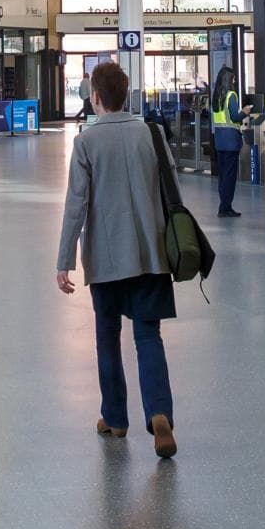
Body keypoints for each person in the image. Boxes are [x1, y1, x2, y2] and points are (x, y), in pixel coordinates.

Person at [55, 60, 176, 459]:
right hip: (150, 252)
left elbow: (76, 204)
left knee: (107, 335)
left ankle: (116, 418)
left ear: (95, 98)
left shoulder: (87, 142)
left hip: (106, 257)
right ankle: (159, 414)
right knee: (147, 335)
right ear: (126, 96)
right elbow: (171, 189)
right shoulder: (150, 134)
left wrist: (64, 259)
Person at [208, 67, 243, 219]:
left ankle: (223, 204)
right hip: (231, 141)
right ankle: (225, 207)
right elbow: (235, 116)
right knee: (230, 176)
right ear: (229, 79)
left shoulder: (216, 97)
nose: (234, 81)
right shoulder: (231, 95)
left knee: (222, 175)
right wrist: (245, 112)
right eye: (233, 78)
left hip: (219, 141)